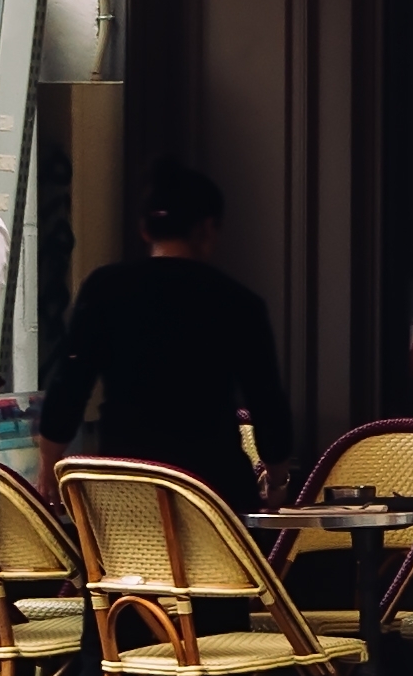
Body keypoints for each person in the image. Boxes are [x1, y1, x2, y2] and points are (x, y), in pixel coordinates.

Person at [44, 161, 295, 521]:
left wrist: (48, 467)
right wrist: (276, 480)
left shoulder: (105, 289)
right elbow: (266, 400)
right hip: (213, 492)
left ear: (145, 229)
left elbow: (70, 384)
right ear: (208, 228)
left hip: (125, 488)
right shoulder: (238, 302)